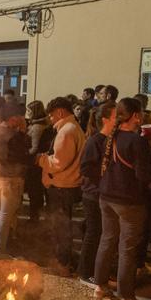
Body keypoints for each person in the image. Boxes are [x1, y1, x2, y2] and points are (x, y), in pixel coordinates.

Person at [88, 97, 151, 300]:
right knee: (127, 249)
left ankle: (99, 286)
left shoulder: (112, 135)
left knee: (107, 240)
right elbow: (145, 174)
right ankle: (128, 299)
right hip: (128, 200)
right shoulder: (137, 141)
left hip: (106, 196)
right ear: (136, 116)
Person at [38, 97, 85, 274]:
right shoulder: (73, 128)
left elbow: (59, 162)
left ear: (60, 112)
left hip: (61, 186)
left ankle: (62, 264)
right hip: (67, 184)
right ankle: (64, 261)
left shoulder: (66, 131)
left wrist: (41, 160)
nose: (50, 119)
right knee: (62, 225)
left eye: (51, 115)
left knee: (60, 227)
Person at [78, 102, 116, 284]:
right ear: (105, 119)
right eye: (117, 116)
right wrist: (104, 180)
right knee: (94, 233)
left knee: (104, 234)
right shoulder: (95, 141)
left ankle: (99, 270)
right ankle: (86, 273)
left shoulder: (112, 140)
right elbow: (86, 168)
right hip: (93, 195)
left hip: (105, 194)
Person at [0, 113, 30, 259]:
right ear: (12, 118)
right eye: (19, 117)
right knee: (5, 215)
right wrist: (23, 133)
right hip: (10, 177)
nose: (22, 119)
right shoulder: (14, 136)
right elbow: (23, 155)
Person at [24, 100, 50, 222]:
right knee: (36, 191)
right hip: (38, 163)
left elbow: (34, 148)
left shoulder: (36, 127)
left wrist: (22, 154)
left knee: (34, 190)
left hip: (34, 164)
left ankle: (34, 217)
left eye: (29, 110)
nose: (27, 113)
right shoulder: (42, 124)